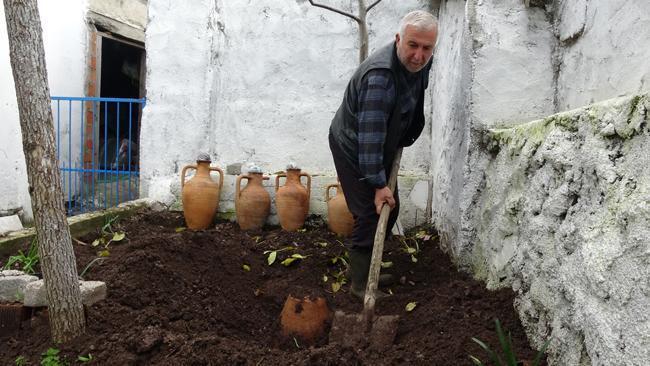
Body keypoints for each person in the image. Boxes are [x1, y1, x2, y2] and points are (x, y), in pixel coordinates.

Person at [328, 10, 438, 300]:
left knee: (393, 208)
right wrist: (378, 185)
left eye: (427, 48)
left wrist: (405, 128)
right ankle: (360, 285)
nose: (419, 55)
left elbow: (414, 93)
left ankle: (366, 267)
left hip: (384, 137)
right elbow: (369, 140)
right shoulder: (380, 78)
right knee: (370, 212)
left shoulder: (419, 63)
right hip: (354, 143)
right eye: (413, 45)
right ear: (398, 39)